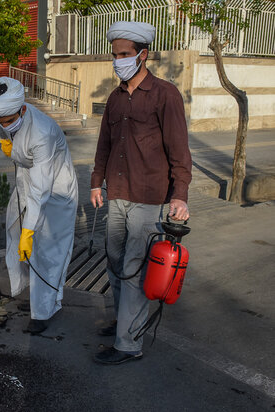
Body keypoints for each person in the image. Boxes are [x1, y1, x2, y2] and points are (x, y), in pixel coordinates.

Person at [90, 21, 192, 365]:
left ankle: (128, 344)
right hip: (117, 193)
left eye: (124, 55)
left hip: (148, 198)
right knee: (115, 264)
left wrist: (180, 195)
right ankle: (124, 321)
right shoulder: (115, 97)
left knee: (135, 269)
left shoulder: (165, 95)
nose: (117, 60)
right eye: (115, 55)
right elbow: (104, 143)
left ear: (142, 55)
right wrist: (95, 182)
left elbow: (179, 150)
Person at [0, 77, 78, 334]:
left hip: (55, 189)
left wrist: (30, 230)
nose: (5, 126)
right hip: (27, 179)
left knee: (47, 250)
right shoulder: (1, 118)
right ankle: (30, 293)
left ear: (22, 109)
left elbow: (40, 190)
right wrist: (5, 140)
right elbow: (1, 129)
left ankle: (44, 312)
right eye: (1, 122)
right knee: (14, 230)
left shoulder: (42, 133)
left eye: (10, 121)